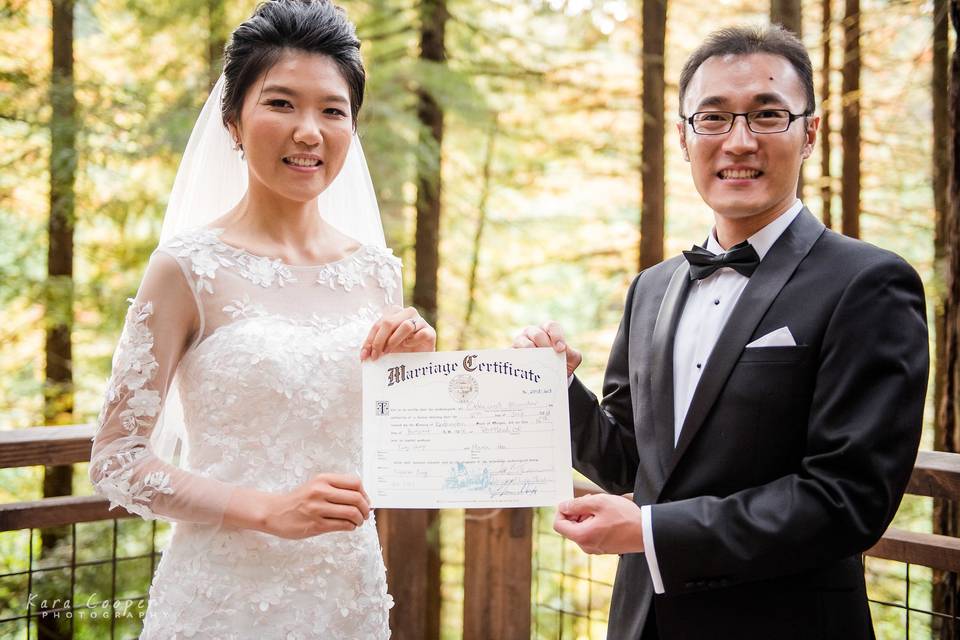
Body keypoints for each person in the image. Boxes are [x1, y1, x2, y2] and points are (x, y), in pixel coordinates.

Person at [514, 25, 928, 640]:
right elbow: (632, 463)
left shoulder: (870, 283)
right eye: (712, 119)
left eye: (766, 117)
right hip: (642, 621)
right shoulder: (651, 288)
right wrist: (556, 390)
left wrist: (650, 532)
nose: (738, 142)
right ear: (683, 136)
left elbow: (849, 498)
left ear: (809, 132)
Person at [89, 1, 434, 637]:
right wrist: (268, 511)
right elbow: (117, 461)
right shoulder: (185, 268)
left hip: (347, 592)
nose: (310, 131)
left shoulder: (378, 272)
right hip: (222, 599)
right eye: (281, 103)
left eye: (332, 110)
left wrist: (416, 374)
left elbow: (394, 452)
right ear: (233, 121)